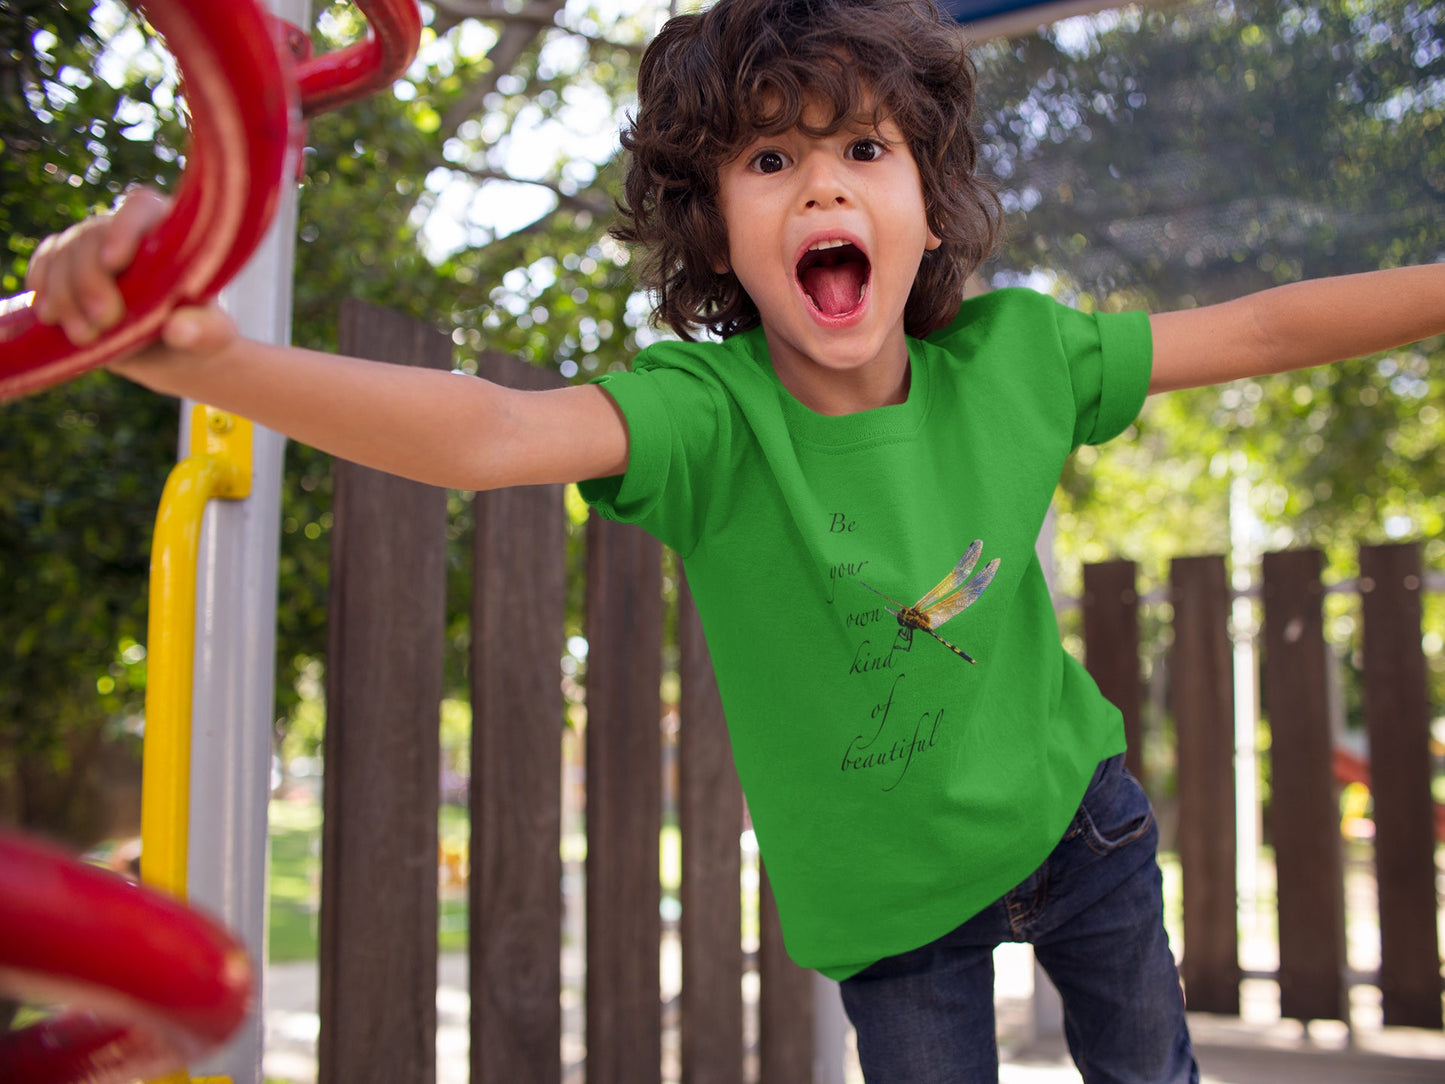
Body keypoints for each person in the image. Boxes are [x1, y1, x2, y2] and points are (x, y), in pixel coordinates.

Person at [24, 0, 1445, 1079]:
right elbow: (485, 435)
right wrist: (199, 360)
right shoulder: (706, 417)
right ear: (715, 231)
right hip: (894, 917)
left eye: (863, 150)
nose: (824, 188)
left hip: (1075, 831)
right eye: (772, 157)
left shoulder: (1022, 358)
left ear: (924, 207)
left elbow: (1261, 327)